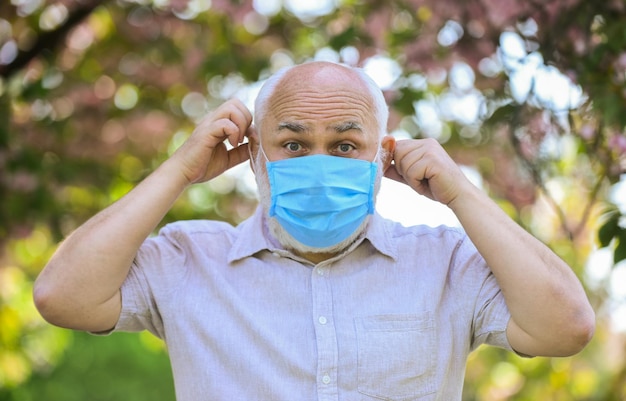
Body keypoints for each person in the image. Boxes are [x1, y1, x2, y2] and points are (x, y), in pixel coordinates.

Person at [34, 61, 595, 400]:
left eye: (346, 146)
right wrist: (179, 171)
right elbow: (63, 298)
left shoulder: (446, 264)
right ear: (255, 156)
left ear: (382, 160)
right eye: (294, 144)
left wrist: (460, 193)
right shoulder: (187, 261)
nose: (320, 163)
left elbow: (565, 327)